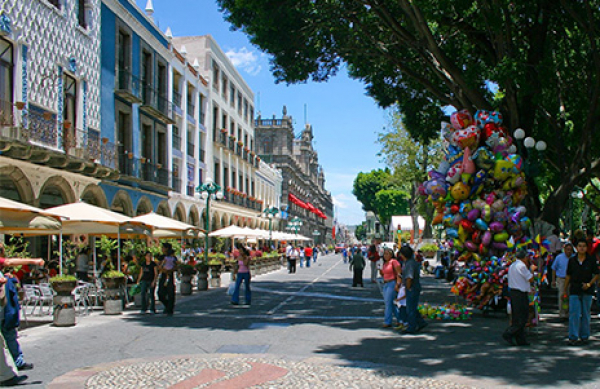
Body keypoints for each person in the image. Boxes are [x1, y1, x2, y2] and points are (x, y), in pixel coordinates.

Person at [565, 239, 599, 345]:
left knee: (585, 313)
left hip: (587, 289)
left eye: (584, 246)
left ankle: (584, 336)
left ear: (586, 248)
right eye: (580, 246)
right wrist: (565, 289)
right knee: (574, 313)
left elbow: (597, 274)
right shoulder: (572, 260)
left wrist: (589, 284)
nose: (582, 248)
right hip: (575, 289)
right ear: (577, 247)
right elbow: (568, 275)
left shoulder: (591, 259)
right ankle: (573, 336)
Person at [503, 250, 534, 346]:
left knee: (517, 316)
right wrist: (532, 270)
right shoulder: (522, 266)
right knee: (522, 316)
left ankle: (520, 338)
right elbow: (530, 278)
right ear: (525, 258)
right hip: (520, 293)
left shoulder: (513, 265)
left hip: (514, 292)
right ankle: (509, 333)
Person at [399, 245, 427, 334]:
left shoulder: (409, 264)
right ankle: (421, 322)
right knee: (412, 307)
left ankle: (412, 326)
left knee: (410, 308)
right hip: (413, 287)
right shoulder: (408, 262)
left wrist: (407, 287)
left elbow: (409, 277)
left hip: (412, 287)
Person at [379, 248, 401, 328]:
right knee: (390, 303)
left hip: (392, 283)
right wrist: (380, 268)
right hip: (386, 283)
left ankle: (387, 321)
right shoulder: (385, 263)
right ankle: (400, 319)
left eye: (387, 254)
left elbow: (399, 273)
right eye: (384, 254)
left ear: (391, 255)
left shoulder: (394, 262)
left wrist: (397, 284)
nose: (385, 255)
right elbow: (382, 274)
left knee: (388, 303)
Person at [551, 242, 573, 320]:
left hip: (571, 280)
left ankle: (568, 313)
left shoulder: (574, 257)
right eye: (567, 250)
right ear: (564, 250)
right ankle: (562, 313)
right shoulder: (559, 257)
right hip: (561, 279)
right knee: (562, 296)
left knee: (570, 296)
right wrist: (553, 280)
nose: (569, 251)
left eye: (570, 250)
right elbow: (554, 268)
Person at [157, 243, 178, 315]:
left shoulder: (173, 257)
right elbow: (158, 266)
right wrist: (163, 268)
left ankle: (170, 309)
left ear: (167, 249)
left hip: (170, 276)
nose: (162, 249)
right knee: (160, 293)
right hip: (163, 275)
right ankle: (167, 305)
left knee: (171, 293)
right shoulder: (161, 257)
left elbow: (176, 266)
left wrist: (171, 270)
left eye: (163, 247)